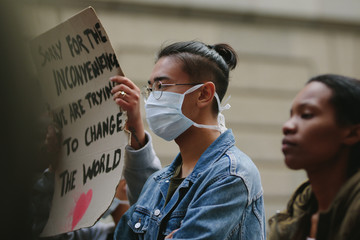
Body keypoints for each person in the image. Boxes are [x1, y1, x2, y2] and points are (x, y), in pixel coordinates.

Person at [111, 40, 265, 239]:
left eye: (161, 86)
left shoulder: (231, 175)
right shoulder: (157, 182)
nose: (150, 100)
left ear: (203, 94)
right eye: (150, 89)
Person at [268, 74, 360, 240]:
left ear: (353, 133)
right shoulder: (299, 209)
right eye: (291, 115)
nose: (287, 126)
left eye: (306, 115)